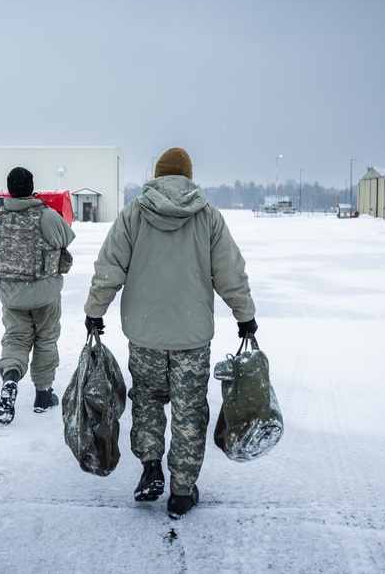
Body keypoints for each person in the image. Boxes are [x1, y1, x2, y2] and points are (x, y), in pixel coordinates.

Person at [83, 147, 257, 519]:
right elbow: (229, 273)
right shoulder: (208, 216)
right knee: (189, 408)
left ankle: (150, 467)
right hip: (191, 334)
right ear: (189, 177)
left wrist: (94, 311)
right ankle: (181, 490)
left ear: (158, 175)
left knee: (146, 397)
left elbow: (109, 267)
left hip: (144, 331)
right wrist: (245, 315)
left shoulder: (134, 213)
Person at [0, 166, 76, 425]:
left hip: (12, 294)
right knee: (46, 341)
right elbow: (66, 238)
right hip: (44, 293)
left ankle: (10, 378)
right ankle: (43, 395)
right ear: (31, 188)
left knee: (16, 340)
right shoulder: (46, 215)